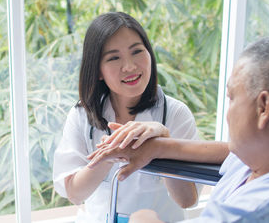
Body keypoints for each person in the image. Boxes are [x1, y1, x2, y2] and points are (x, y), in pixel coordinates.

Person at [88, 35, 269, 222]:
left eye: (232, 98)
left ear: (263, 107)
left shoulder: (258, 210)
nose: (227, 114)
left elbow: (187, 200)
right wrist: (159, 146)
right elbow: (226, 151)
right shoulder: (267, 158)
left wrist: (142, 219)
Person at [53, 12, 202, 223]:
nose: (130, 67)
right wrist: (110, 155)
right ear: (97, 71)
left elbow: (187, 200)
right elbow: (75, 194)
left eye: (137, 52)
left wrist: (164, 144)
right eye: (114, 58)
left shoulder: (176, 114)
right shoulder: (82, 116)